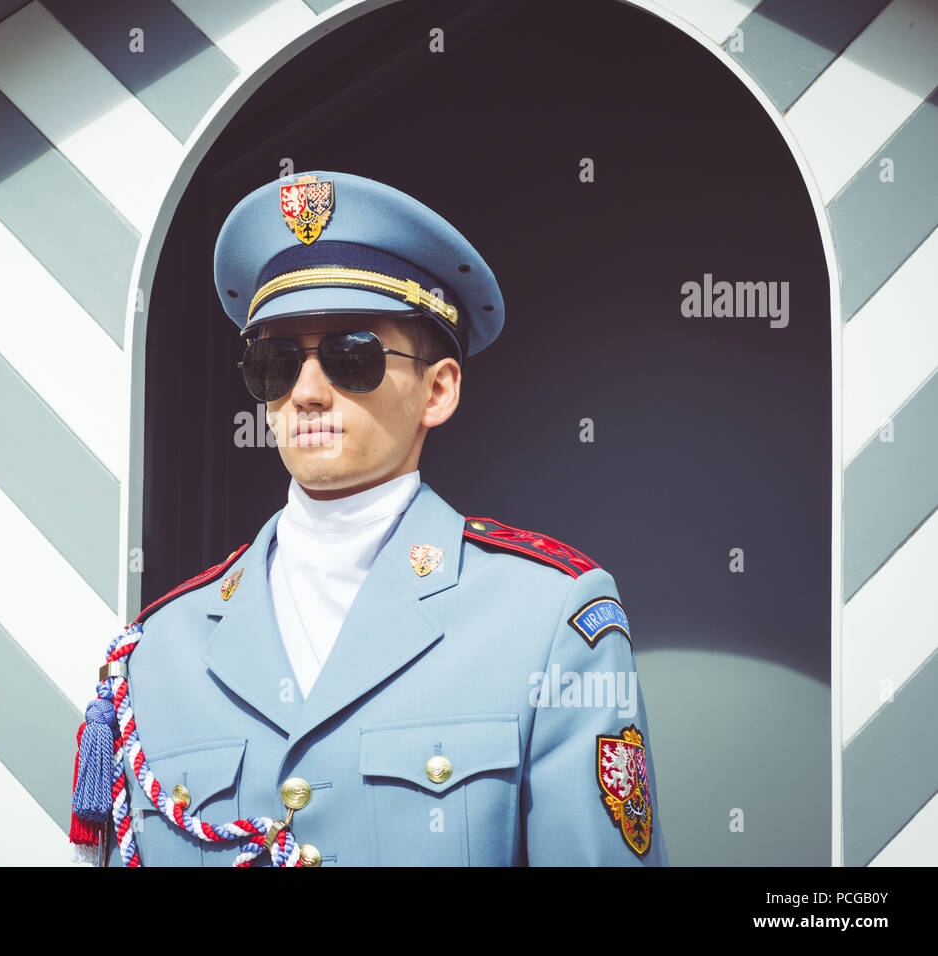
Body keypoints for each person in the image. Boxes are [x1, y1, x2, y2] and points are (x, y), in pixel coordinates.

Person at [69, 170, 666, 867]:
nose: (308, 391)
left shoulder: (551, 618)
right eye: (276, 362)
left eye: (353, 357)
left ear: (437, 390)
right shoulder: (154, 652)